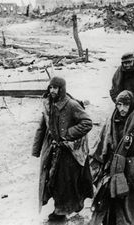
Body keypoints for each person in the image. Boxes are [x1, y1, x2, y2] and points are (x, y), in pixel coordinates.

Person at [89, 90, 134, 225]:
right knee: (109, 212)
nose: (122, 109)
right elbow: (99, 147)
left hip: (131, 178)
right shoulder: (110, 123)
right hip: (111, 173)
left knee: (129, 215)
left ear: (132, 105)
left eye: (126, 105)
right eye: (119, 104)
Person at [32, 76, 93, 221]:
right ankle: (63, 208)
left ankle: (61, 211)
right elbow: (42, 127)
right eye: (51, 87)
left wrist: (68, 134)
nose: (52, 90)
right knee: (51, 180)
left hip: (68, 151)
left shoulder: (71, 105)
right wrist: (36, 148)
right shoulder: (47, 104)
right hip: (52, 148)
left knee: (65, 181)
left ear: (62, 89)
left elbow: (87, 123)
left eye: (56, 88)